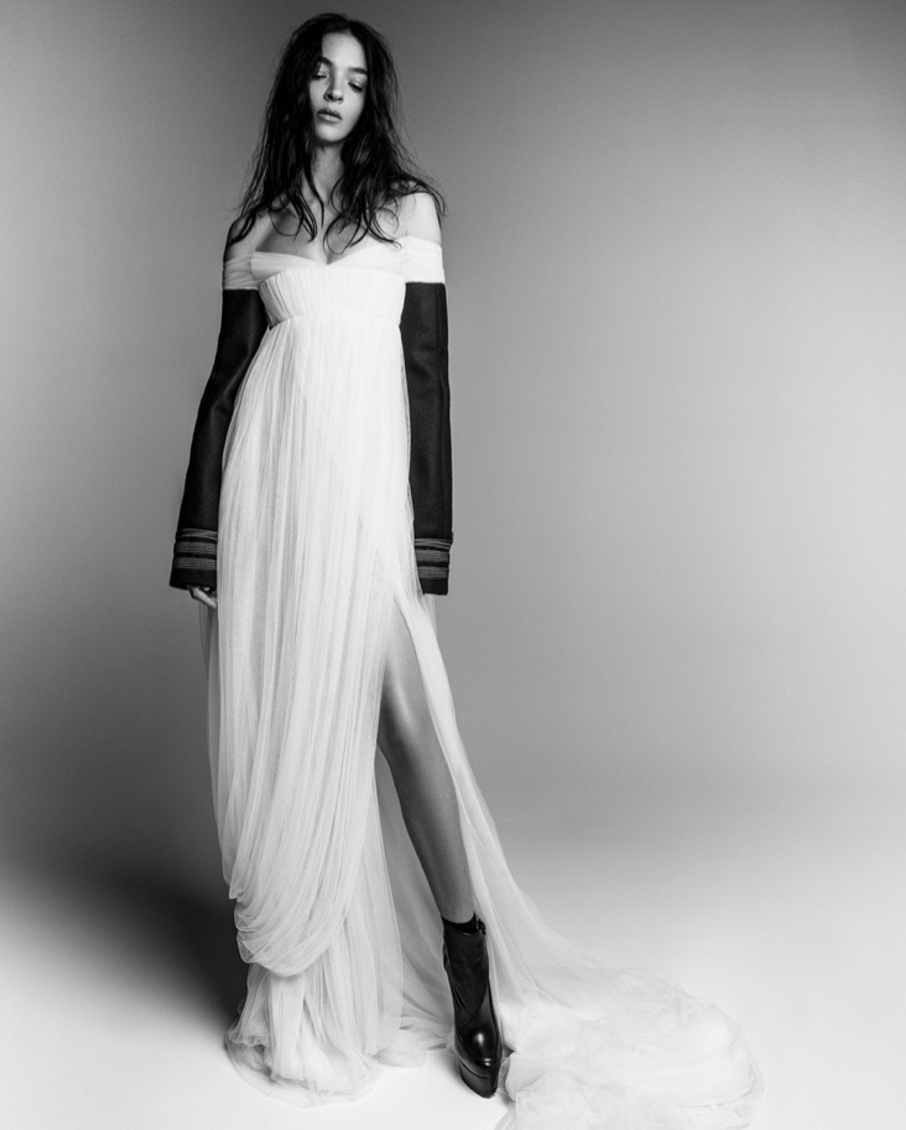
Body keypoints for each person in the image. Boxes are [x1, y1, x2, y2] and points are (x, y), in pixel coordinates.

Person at [170, 13, 761, 1128]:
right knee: (297, 727)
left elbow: (428, 376)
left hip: (364, 508)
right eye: (320, 73)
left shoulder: (407, 211)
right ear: (297, 88)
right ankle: (304, 983)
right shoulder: (253, 228)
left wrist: (426, 542)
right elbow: (225, 384)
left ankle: (470, 964)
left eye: (355, 79)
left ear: (370, 99)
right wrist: (199, 538)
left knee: (404, 723)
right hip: (273, 509)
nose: (335, 92)